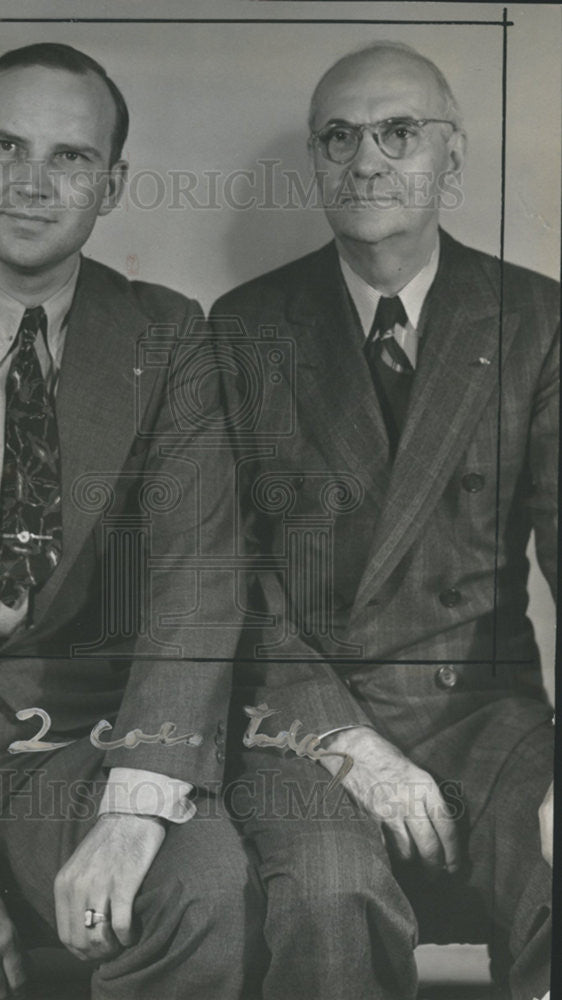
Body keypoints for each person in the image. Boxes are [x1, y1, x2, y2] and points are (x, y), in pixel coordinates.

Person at [0, 42, 263, 1000]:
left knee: (200, 888)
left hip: (77, 741)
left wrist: (134, 810)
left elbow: (196, 583)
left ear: (114, 183)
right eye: (7, 146)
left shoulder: (167, 341)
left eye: (71, 158)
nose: (33, 183)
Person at [213, 41, 557, 1000]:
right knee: (328, 899)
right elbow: (224, 572)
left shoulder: (535, 321)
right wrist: (348, 743)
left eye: (398, 132)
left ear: (451, 158)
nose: (366, 159)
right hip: (310, 722)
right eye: (339, 137)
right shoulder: (245, 328)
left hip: (481, 709)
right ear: (316, 164)